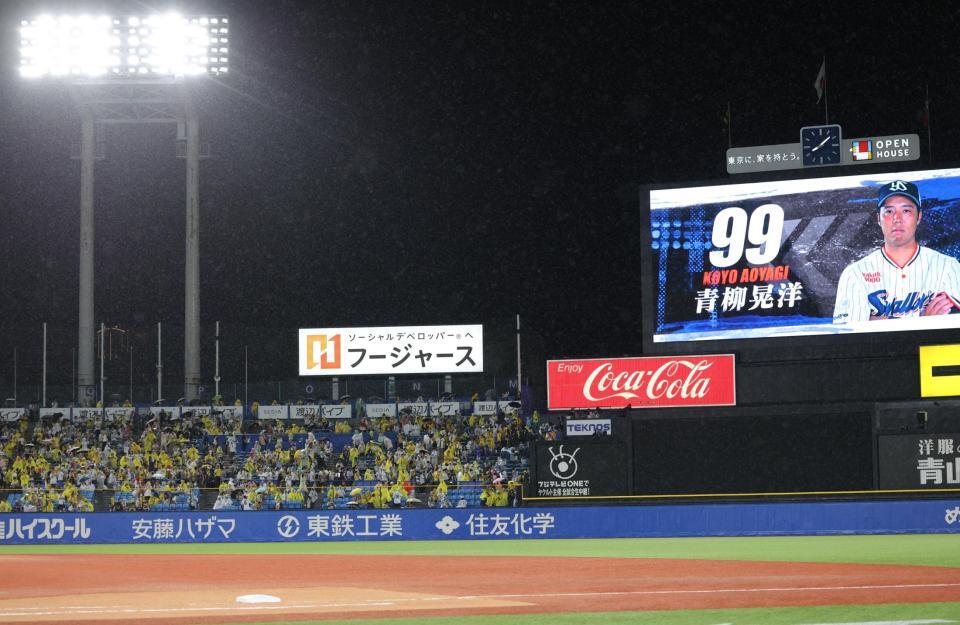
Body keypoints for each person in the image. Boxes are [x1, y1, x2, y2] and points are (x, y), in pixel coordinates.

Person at [833, 180, 960, 323]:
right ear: (878, 219)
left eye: (906, 210)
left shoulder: (948, 266)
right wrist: (924, 321)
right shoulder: (855, 273)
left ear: (919, 217)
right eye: (889, 211)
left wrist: (874, 320)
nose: (897, 219)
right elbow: (850, 338)